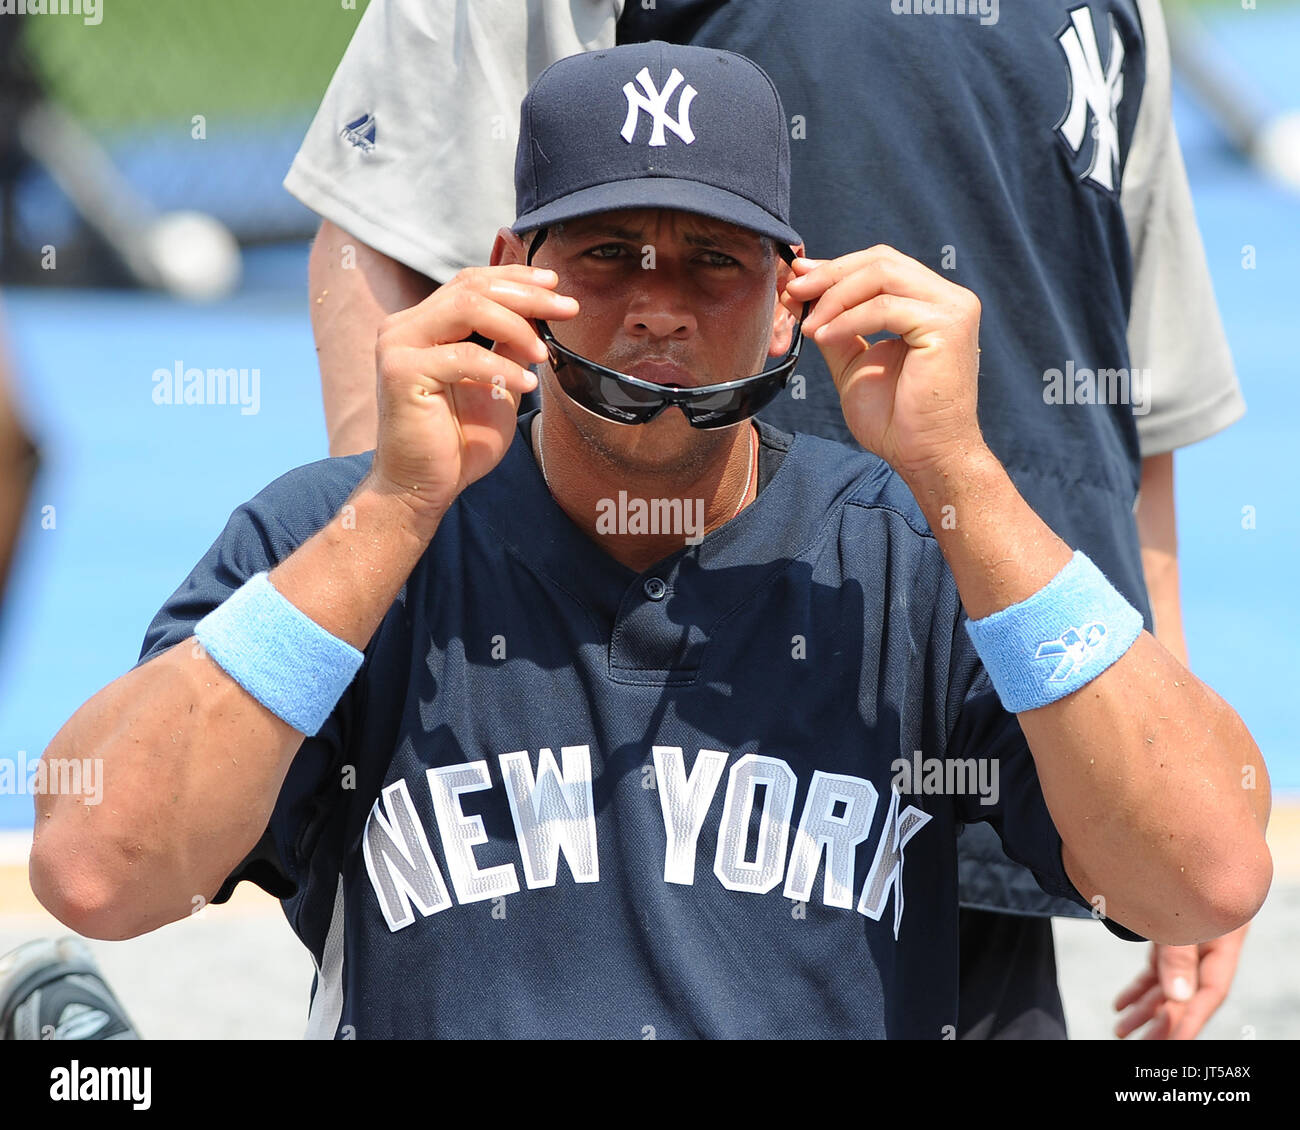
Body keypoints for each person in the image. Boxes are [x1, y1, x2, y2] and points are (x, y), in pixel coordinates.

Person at [26, 43, 1269, 1040]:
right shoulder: (344, 534)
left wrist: (963, 474)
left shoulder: (914, 550)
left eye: (711, 260)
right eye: (608, 253)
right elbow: (97, 874)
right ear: (514, 268)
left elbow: (1203, 874)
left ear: (791, 295)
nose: (657, 301)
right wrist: (395, 510)